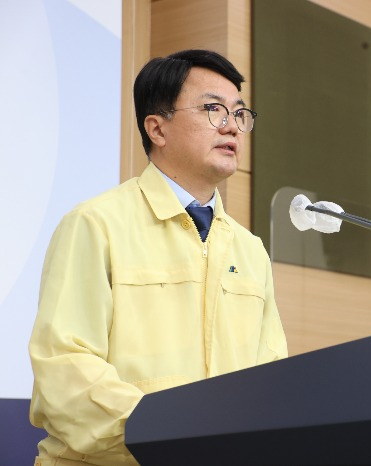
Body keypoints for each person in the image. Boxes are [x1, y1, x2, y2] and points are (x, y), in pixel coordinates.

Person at [28, 49, 287, 466]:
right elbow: (65, 370)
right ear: (157, 128)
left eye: (239, 114)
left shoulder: (250, 250)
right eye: (213, 109)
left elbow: (271, 377)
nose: (233, 127)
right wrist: (172, 431)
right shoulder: (96, 224)